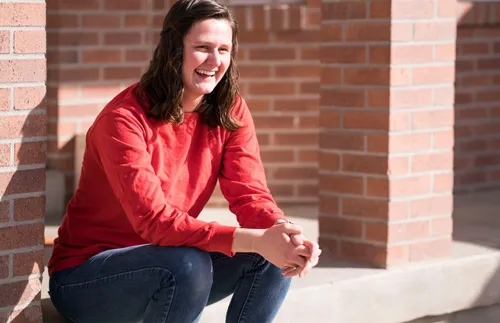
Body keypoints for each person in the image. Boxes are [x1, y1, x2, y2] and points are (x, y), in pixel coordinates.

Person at [47, 0, 321, 322]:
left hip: (168, 258)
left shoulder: (229, 111)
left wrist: (282, 232)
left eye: (223, 49)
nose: (214, 60)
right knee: (188, 264)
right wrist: (253, 239)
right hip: (89, 278)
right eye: (202, 47)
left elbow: (250, 195)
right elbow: (155, 222)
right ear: (173, 49)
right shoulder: (123, 120)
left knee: (269, 256)